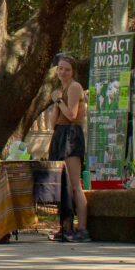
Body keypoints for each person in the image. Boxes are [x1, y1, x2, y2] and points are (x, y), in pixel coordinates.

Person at [50, 54, 90, 242]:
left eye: (67, 69)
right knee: (61, 185)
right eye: (60, 68)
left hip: (71, 134)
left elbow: (72, 115)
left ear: (73, 71)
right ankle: (65, 226)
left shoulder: (74, 87)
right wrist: (56, 103)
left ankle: (82, 228)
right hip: (59, 134)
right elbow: (53, 122)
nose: (63, 72)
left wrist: (59, 101)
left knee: (75, 184)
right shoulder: (60, 90)